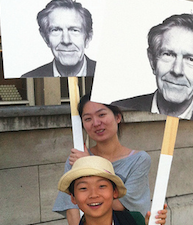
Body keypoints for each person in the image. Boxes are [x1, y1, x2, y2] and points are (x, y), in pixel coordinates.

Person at [112, 13, 193, 127]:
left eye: (191, 59)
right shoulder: (118, 110)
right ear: (152, 61)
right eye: (168, 54)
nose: (177, 70)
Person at [53, 94, 151, 225]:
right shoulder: (76, 159)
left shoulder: (139, 160)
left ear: (117, 117)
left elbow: (123, 205)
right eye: (88, 118)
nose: (96, 123)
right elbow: (71, 209)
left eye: (101, 115)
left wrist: (89, 164)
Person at [57, 155, 166, 225]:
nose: (93, 195)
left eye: (102, 186)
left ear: (115, 192)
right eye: (83, 188)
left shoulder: (134, 220)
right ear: (73, 198)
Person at [21, 0, 96, 77]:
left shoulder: (108, 74)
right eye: (56, 30)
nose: (66, 40)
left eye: (74, 30)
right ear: (45, 38)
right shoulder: (28, 79)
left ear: (88, 38)